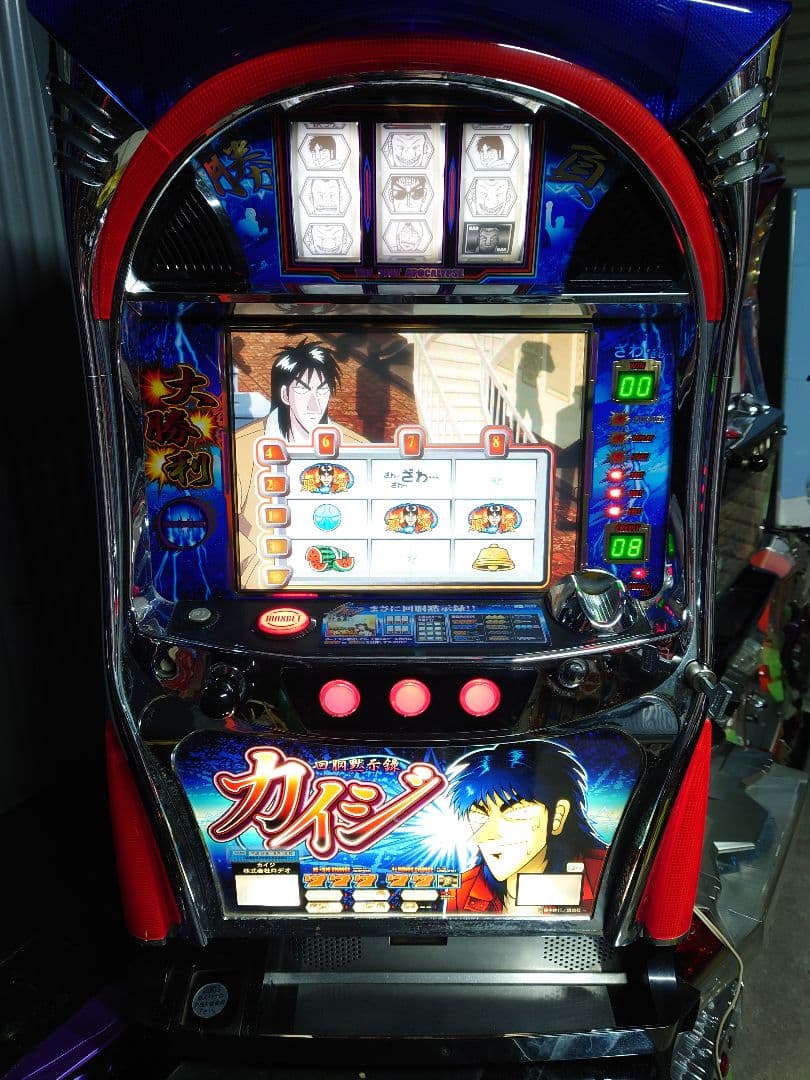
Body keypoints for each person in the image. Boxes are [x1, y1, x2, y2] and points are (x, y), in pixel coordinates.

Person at [445, 741, 607, 914]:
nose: (484, 835)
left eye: (514, 812)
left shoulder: (605, 873)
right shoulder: (463, 889)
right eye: (480, 815)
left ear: (557, 817)